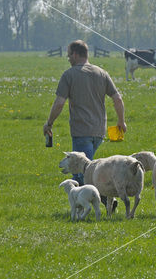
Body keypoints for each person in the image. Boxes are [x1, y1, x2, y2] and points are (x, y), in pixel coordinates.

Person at [43, 40, 126, 186]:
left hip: (81, 131)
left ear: (75, 54)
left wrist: (49, 123)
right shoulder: (101, 73)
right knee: (87, 170)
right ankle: (99, 200)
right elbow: (117, 99)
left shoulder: (69, 75)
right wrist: (121, 121)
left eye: (69, 55)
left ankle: (100, 200)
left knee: (81, 174)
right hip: (99, 132)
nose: (68, 58)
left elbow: (59, 103)